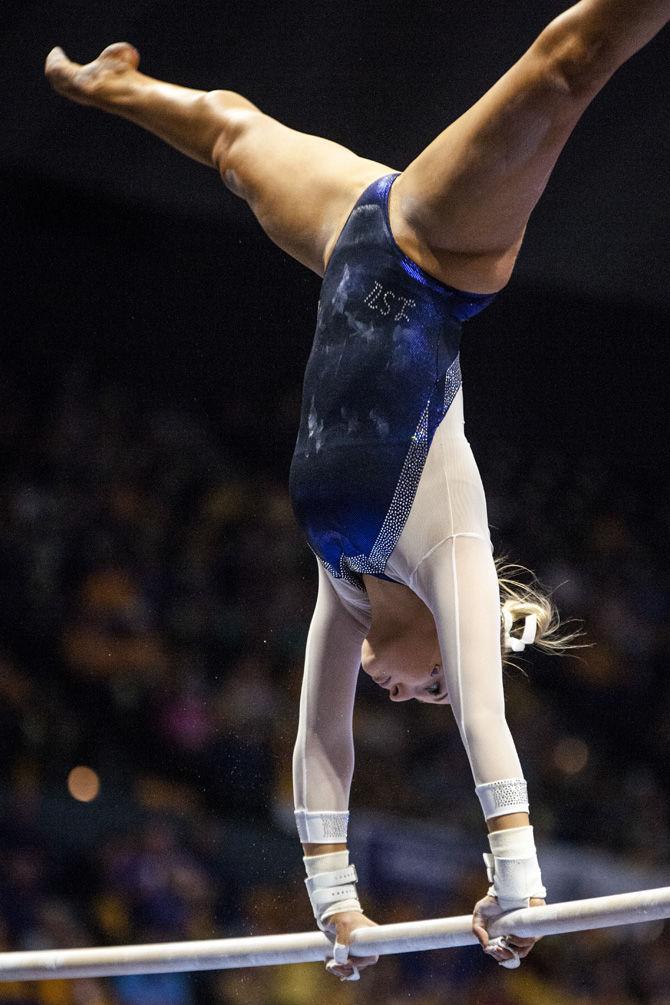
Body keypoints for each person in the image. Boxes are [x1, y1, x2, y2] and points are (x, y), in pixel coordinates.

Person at [45, 0, 668, 981]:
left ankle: (107, 84)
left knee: (228, 137)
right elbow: (482, 720)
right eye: (425, 683)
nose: (402, 691)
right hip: (430, 256)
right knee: (562, 66)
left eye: (409, 694)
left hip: (351, 244)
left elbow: (319, 740)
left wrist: (333, 901)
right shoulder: (447, 548)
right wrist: (518, 880)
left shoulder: (343, 587)